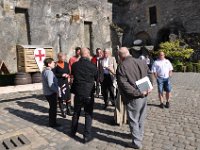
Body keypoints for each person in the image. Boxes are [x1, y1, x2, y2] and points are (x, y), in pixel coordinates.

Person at [116, 47, 152, 149]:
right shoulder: (141, 61)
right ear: (128, 53)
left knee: (133, 119)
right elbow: (150, 74)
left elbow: (124, 84)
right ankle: (138, 135)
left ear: (120, 56)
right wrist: (148, 87)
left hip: (134, 97)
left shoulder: (122, 66)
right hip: (143, 94)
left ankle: (136, 142)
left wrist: (138, 92)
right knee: (140, 118)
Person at [70, 48, 97, 143]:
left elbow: (73, 75)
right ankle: (86, 136)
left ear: (80, 54)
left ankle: (73, 131)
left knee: (76, 113)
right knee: (88, 114)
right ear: (88, 54)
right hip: (88, 92)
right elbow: (97, 77)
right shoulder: (92, 65)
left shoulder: (75, 65)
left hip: (78, 92)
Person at [42, 58, 60, 128]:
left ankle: (52, 122)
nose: (54, 64)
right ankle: (53, 123)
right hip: (51, 93)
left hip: (48, 93)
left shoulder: (45, 71)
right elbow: (50, 84)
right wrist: (56, 90)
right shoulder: (49, 72)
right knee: (53, 109)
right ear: (49, 64)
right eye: (53, 63)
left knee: (52, 108)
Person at [53, 52, 73, 117]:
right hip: (59, 83)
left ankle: (69, 110)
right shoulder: (56, 64)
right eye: (62, 57)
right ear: (59, 57)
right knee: (61, 97)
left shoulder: (66, 64)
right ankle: (62, 111)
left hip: (66, 82)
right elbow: (53, 74)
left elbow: (68, 72)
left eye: (64, 57)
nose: (63, 58)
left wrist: (68, 75)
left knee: (68, 96)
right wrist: (61, 75)